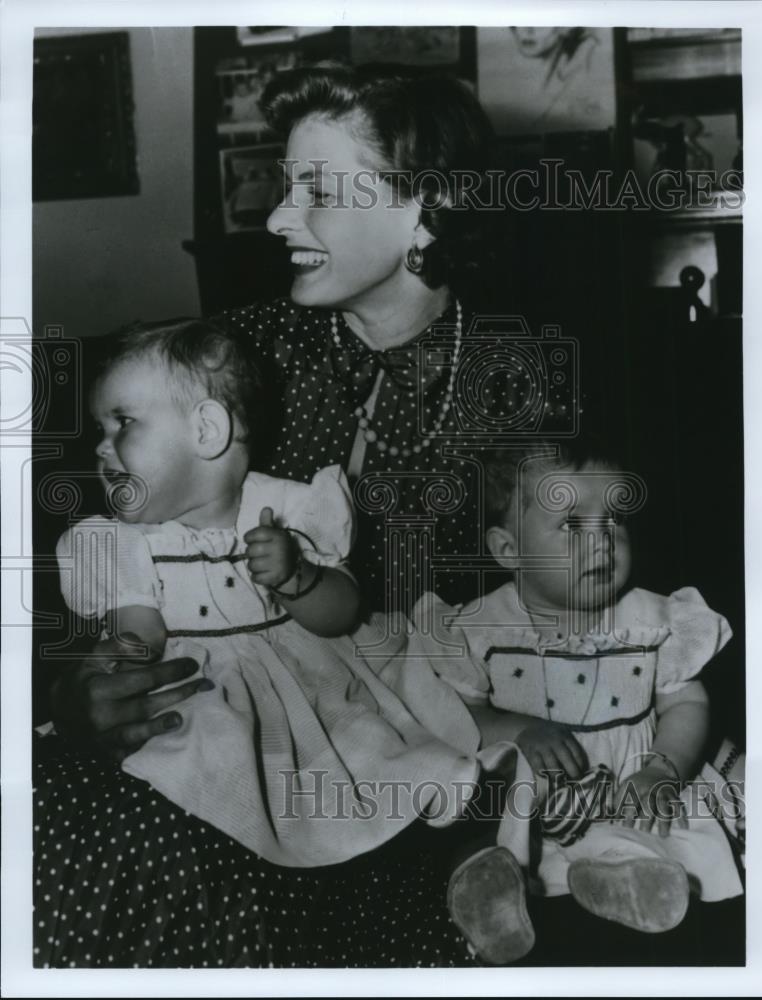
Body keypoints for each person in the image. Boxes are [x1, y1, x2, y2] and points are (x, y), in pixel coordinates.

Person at [34, 66, 545, 968]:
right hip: (209, 726)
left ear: (425, 211)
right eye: (283, 186)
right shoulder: (235, 356)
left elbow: (561, 612)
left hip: (394, 761)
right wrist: (74, 690)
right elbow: (128, 545)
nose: (276, 219)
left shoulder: (522, 388)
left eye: (317, 190)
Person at [436, 437, 744, 951]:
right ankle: (492, 892)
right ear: (509, 550)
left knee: (655, 834)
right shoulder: (482, 629)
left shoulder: (649, 620)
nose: (602, 541)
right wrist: (518, 731)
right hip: (532, 803)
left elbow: (686, 702)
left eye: (614, 519)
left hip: (628, 790)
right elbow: (456, 714)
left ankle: (619, 882)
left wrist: (662, 768)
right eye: (572, 524)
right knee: (481, 828)